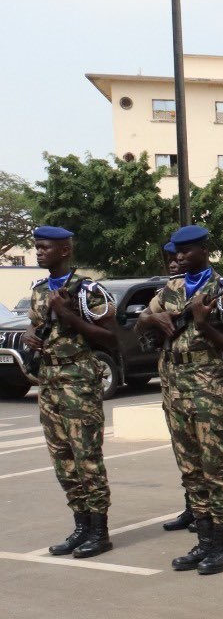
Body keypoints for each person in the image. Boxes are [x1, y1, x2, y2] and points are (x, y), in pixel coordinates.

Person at [137, 225, 223, 575]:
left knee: (214, 467)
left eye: (186, 251)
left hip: (206, 388)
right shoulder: (171, 289)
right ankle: (203, 541)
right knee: (190, 469)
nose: (179, 257)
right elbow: (141, 323)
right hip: (173, 386)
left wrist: (205, 327)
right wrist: (154, 318)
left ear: (204, 250)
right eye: (177, 252)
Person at [26, 226, 118, 559]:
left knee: (87, 458)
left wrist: (67, 315)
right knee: (63, 459)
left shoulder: (88, 290)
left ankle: (99, 529)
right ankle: (80, 525)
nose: (38, 251)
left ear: (64, 251)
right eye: (36, 247)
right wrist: (30, 336)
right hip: (49, 381)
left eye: (44, 247)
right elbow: (36, 324)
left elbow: (109, 338)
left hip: (79, 379)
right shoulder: (38, 289)